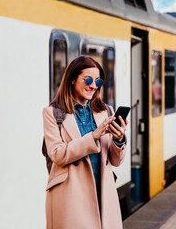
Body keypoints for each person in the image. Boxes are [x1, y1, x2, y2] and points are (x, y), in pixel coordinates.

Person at [43, 55, 128, 229]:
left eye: (98, 81)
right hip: (71, 197)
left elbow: (116, 161)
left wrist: (119, 140)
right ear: (72, 79)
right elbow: (58, 154)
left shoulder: (106, 111)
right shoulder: (52, 113)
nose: (93, 86)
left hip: (103, 193)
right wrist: (93, 137)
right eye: (88, 79)